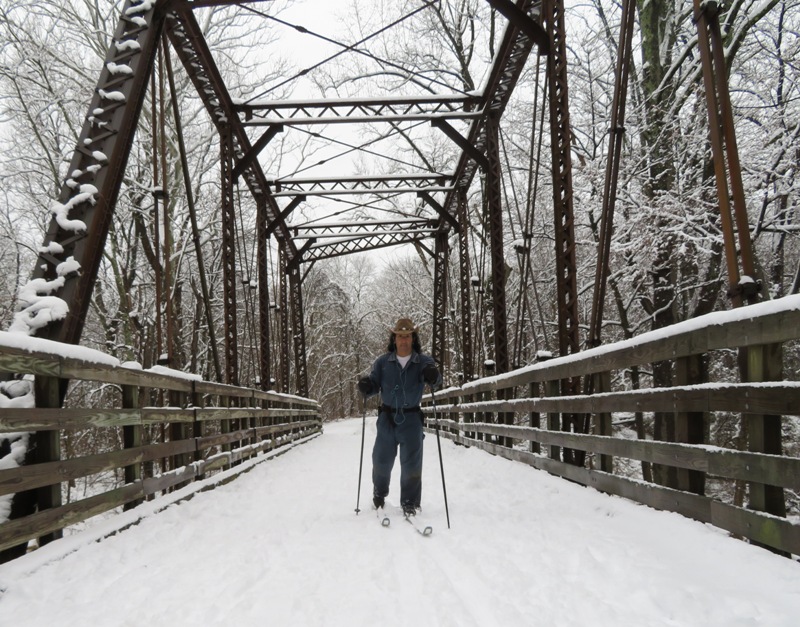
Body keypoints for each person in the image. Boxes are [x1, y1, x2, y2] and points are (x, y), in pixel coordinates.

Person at [357, 317, 441, 517]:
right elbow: (374, 385)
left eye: (407, 336)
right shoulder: (383, 362)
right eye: (400, 336)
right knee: (381, 460)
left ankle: (410, 502)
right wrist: (366, 386)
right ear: (394, 339)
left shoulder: (423, 362)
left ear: (413, 338)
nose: (403, 340)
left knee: (411, 463)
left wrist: (433, 375)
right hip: (387, 417)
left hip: (411, 418)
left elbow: (437, 381)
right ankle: (379, 493)